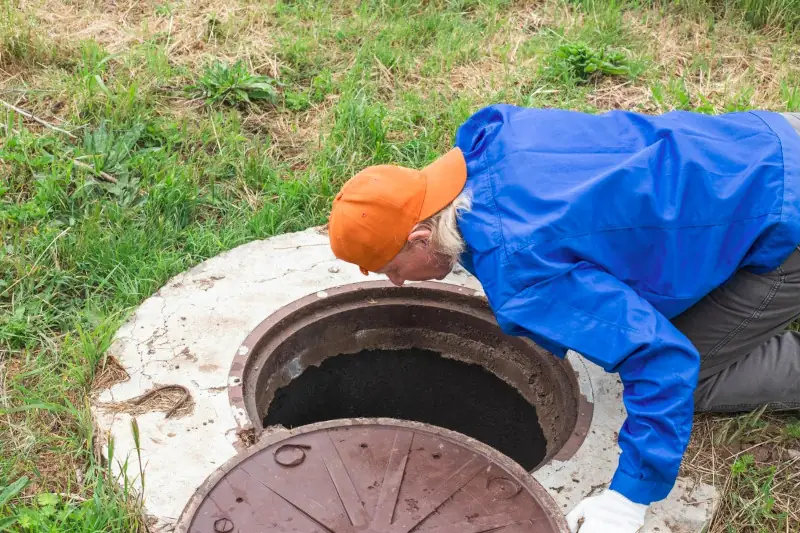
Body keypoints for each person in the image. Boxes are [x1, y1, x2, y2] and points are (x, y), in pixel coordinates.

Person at [327, 105, 800, 532]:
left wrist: (627, 499)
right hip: (762, 142)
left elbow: (662, 359)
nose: (394, 284)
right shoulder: (491, 141)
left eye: (391, 268)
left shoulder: (521, 268)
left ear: (419, 238)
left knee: (695, 371)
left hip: (784, 222)